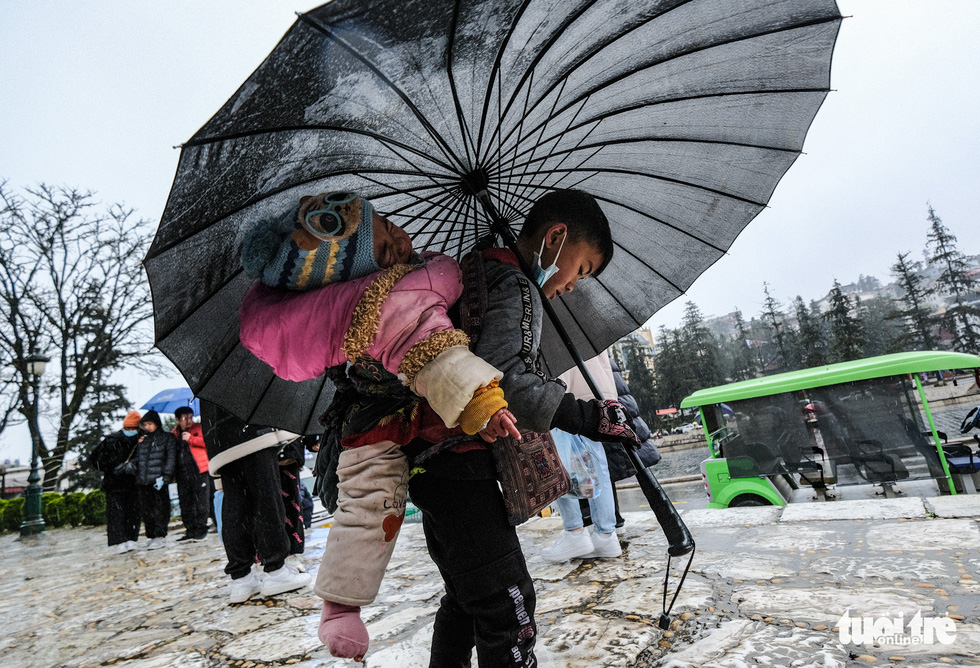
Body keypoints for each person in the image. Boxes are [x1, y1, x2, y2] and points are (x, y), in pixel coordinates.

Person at [237, 191, 519, 659]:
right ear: (352, 276)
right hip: (381, 422)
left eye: (390, 228)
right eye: (385, 251)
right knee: (370, 503)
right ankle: (340, 608)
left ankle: (341, 608)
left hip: (396, 422)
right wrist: (481, 400)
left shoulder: (406, 280)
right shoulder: (388, 301)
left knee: (450, 576)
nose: (400, 243)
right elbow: (435, 351)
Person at [395, 189, 641, 666]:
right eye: (581, 268)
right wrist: (591, 417)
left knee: (466, 601)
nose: (572, 285)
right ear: (555, 237)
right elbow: (508, 380)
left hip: (430, 465)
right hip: (464, 466)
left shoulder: (471, 272)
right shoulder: (513, 281)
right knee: (508, 611)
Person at [201, 400, 312, 604]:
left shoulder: (208, 370)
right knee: (266, 499)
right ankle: (275, 570)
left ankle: (241, 578)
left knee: (235, 504)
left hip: (220, 437)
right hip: (252, 428)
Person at [542, 351, 623, 562]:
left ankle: (575, 531)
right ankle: (606, 535)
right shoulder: (583, 321)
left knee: (559, 463)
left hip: (564, 392)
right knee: (595, 466)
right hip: (593, 389)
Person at [89, 410, 142, 554]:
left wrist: (133, 467)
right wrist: (111, 468)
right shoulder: (111, 440)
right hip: (114, 484)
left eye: (133, 429)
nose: (131, 431)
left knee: (133, 512)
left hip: (133, 482)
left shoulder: (141, 440)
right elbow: (95, 459)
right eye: (128, 428)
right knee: (116, 514)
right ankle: (119, 540)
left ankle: (132, 538)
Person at [134, 410, 177, 550]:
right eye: (145, 424)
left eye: (150, 423)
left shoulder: (167, 437)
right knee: (146, 510)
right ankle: (151, 535)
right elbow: (139, 458)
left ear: (156, 423)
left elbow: (171, 457)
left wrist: (166, 476)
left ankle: (160, 535)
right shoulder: (143, 440)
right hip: (143, 481)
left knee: (160, 509)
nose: (148, 427)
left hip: (159, 480)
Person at [173, 406, 211, 541]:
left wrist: (191, 439)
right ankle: (190, 529)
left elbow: (208, 442)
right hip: (181, 473)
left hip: (198, 470)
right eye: (184, 418)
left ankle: (201, 528)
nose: (188, 421)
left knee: (201, 501)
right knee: (185, 502)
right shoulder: (174, 434)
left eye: (190, 417)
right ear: (177, 419)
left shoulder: (199, 428)